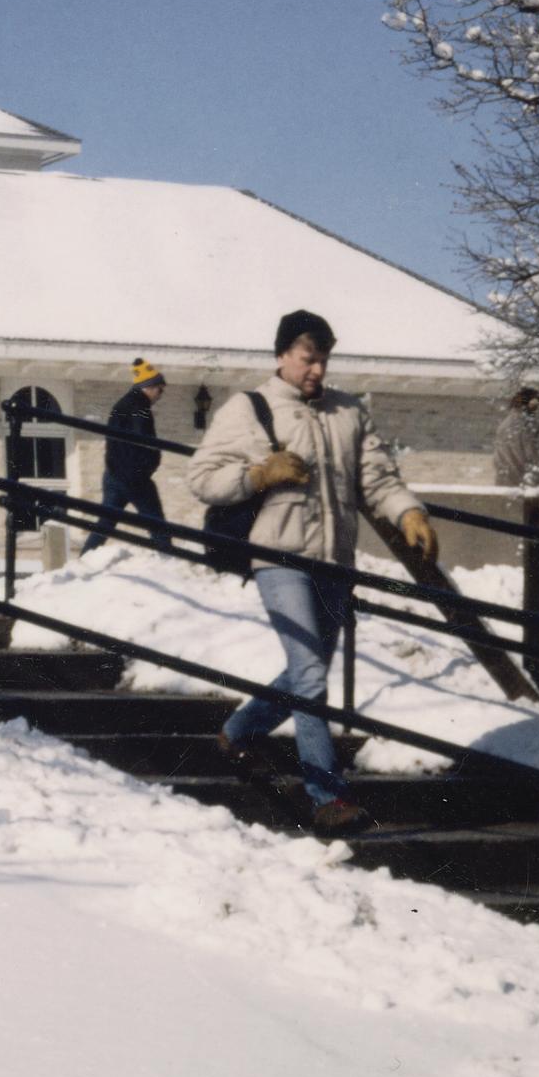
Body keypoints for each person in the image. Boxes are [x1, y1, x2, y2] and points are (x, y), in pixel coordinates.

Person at [187, 309, 439, 837]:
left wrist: (408, 511)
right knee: (308, 673)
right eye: (308, 359)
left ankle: (237, 732)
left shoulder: (348, 412)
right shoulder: (249, 408)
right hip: (278, 558)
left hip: (333, 564)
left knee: (308, 672)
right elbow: (202, 478)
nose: (317, 371)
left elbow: (377, 476)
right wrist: (258, 473)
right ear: (282, 356)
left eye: (324, 360)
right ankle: (328, 796)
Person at [81, 359, 176, 555]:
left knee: (105, 523)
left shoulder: (122, 404)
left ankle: (83, 560)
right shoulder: (140, 408)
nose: (160, 395)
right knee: (157, 524)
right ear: (149, 387)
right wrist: (148, 465)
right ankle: (169, 560)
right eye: (160, 389)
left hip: (114, 473)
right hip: (134, 477)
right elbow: (142, 440)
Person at [493, 387, 539, 488]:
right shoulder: (528, 426)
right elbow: (536, 456)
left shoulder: (504, 425)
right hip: (527, 488)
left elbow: (498, 460)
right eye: (536, 404)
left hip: (505, 484)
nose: (537, 408)